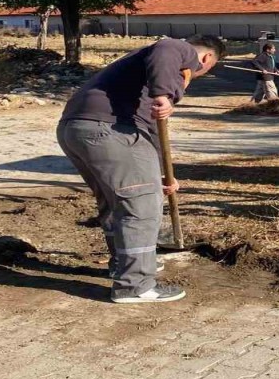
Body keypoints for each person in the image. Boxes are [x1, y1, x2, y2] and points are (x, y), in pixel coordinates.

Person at [57, 34, 225, 303]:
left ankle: (123, 265)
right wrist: (163, 94)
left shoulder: (142, 65)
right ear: (207, 59)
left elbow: (151, 128)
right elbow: (167, 45)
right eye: (206, 69)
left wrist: (160, 173)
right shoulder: (180, 50)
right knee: (141, 206)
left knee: (116, 202)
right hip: (111, 129)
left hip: (76, 128)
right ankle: (135, 285)